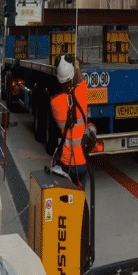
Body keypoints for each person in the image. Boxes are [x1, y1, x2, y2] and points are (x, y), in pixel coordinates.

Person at [50, 54, 90, 191]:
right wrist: (76, 65)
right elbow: (80, 79)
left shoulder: (54, 103)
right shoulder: (82, 91)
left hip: (65, 164)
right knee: (79, 201)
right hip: (81, 164)